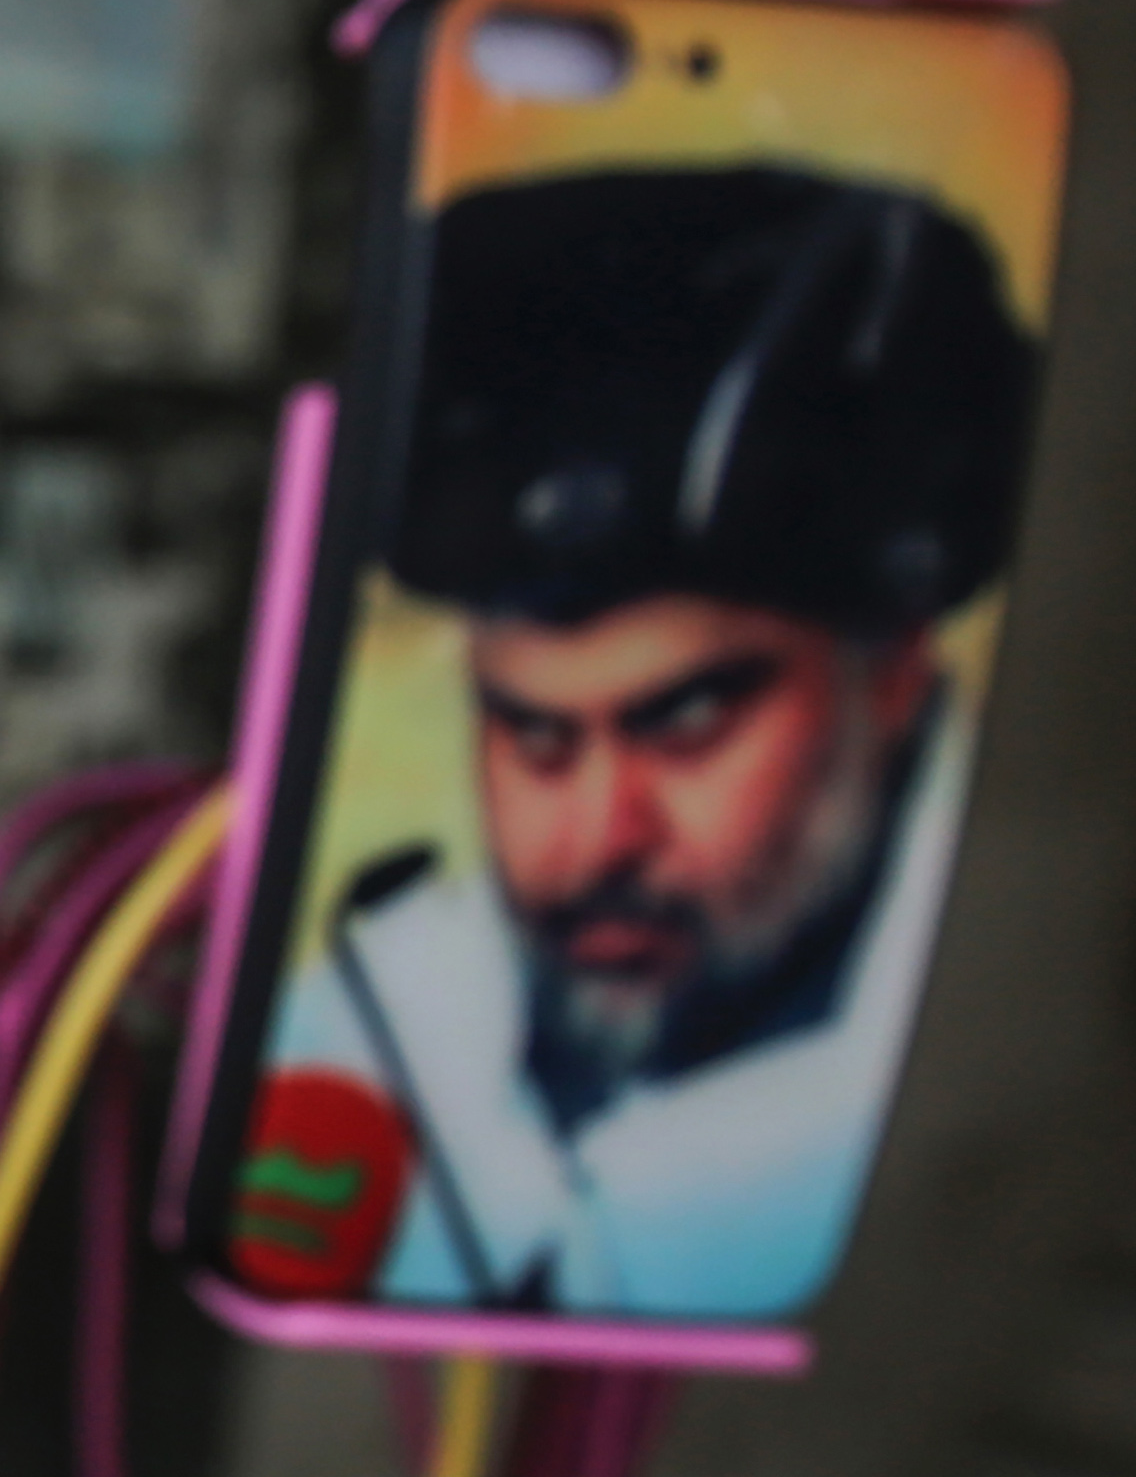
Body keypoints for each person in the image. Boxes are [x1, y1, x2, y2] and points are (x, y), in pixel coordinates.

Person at [261, 163, 1039, 1319]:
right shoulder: (355, 1018)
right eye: (531, 734)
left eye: (685, 726)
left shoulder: (1032, 1069)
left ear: (894, 673)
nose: (593, 842)